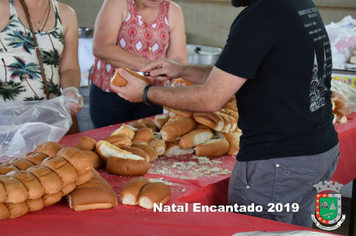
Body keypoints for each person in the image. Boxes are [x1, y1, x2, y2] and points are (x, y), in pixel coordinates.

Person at [111, 0, 340, 228]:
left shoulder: (258, 17)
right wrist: (181, 70)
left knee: (256, 232)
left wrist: (146, 93)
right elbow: (237, 72)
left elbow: (211, 98)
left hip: (278, 162)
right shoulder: (297, 4)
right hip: (318, 152)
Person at [89, 0, 189, 128]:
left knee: (146, 143)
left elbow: (178, 57)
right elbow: (102, 48)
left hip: (152, 95)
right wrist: (152, 67)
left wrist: (179, 79)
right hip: (111, 95)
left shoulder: (173, 10)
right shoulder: (116, 3)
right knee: (112, 142)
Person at [0, 0, 83, 133]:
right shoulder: (4, 7)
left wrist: (70, 91)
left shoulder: (66, 14)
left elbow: (69, 68)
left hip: (51, 119)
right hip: (6, 122)